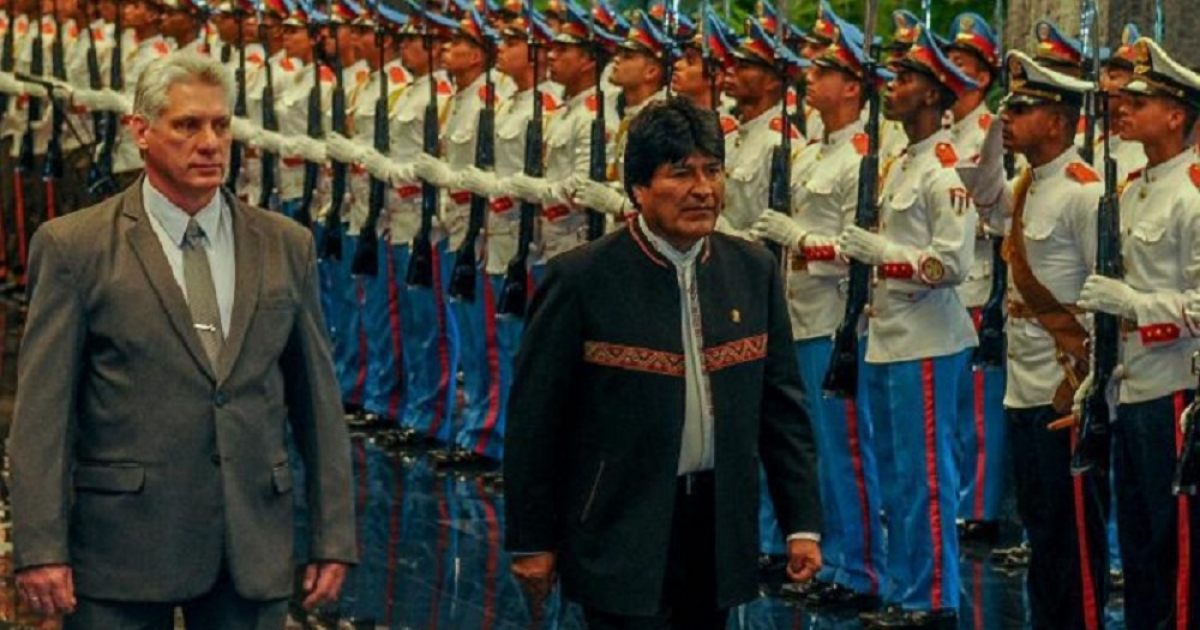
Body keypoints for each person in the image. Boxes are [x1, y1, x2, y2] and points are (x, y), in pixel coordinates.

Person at [9, 51, 356, 629]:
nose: (210, 142)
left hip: (248, 548)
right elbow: (44, 415)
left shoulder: (283, 246)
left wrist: (333, 535)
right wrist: (41, 547)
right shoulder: (76, 248)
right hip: (121, 549)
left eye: (221, 125)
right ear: (141, 132)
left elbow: (318, 403)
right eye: (188, 125)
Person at [504, 96, 822, 630]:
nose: (703, 189)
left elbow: (782, 408)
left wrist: (802, 523)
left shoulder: (751, 268)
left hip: (718, 528)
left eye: (712, 171)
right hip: (618, 525)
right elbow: (536, 422)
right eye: (681, 173)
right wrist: (532, 541)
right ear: (638, 189)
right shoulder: (581, 280)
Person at [961, 50, 1108, 630]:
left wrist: (1090, 382)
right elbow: (983, 195)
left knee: (1073, 533)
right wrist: (996, 138)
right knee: (1042, 530)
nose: (1008, 117)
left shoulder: (1082, 191)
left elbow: (1103, 291)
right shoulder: (1025, 185)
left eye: (1022, 109)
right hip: (1025, 382)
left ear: (1057, 119)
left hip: (1064, 386)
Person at [838, 29, 977, 629]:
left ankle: (935, 597)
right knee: (896, 474)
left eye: (905, 81)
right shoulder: (901, 161)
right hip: (889, 335)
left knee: (925, 478)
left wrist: (882, 253)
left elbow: (953, 264)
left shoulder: (944, 172)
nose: (892, 91)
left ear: (932, 96)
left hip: (927, 340)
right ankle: (904, 587)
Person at [750, 26, 886, 613]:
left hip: (835, 322)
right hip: (795, 312)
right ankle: (813, 554)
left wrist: (802, 239)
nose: (810, 75)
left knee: (843, 451)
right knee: (800, 444)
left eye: (825, 70)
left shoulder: (866, 158)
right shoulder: (810, 151)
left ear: (853, 86)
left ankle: (858, 570)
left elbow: (868, 248)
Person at [1079, 36, 1200, 630]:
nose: (1121, 108)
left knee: (1174, 547)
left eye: (1140, 100)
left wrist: (1135, 302)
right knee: (1137, 540)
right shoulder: (1133, 191)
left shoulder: (1194, 194)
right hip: (1130, 384)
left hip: (1177, 387)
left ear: (1176, 115)